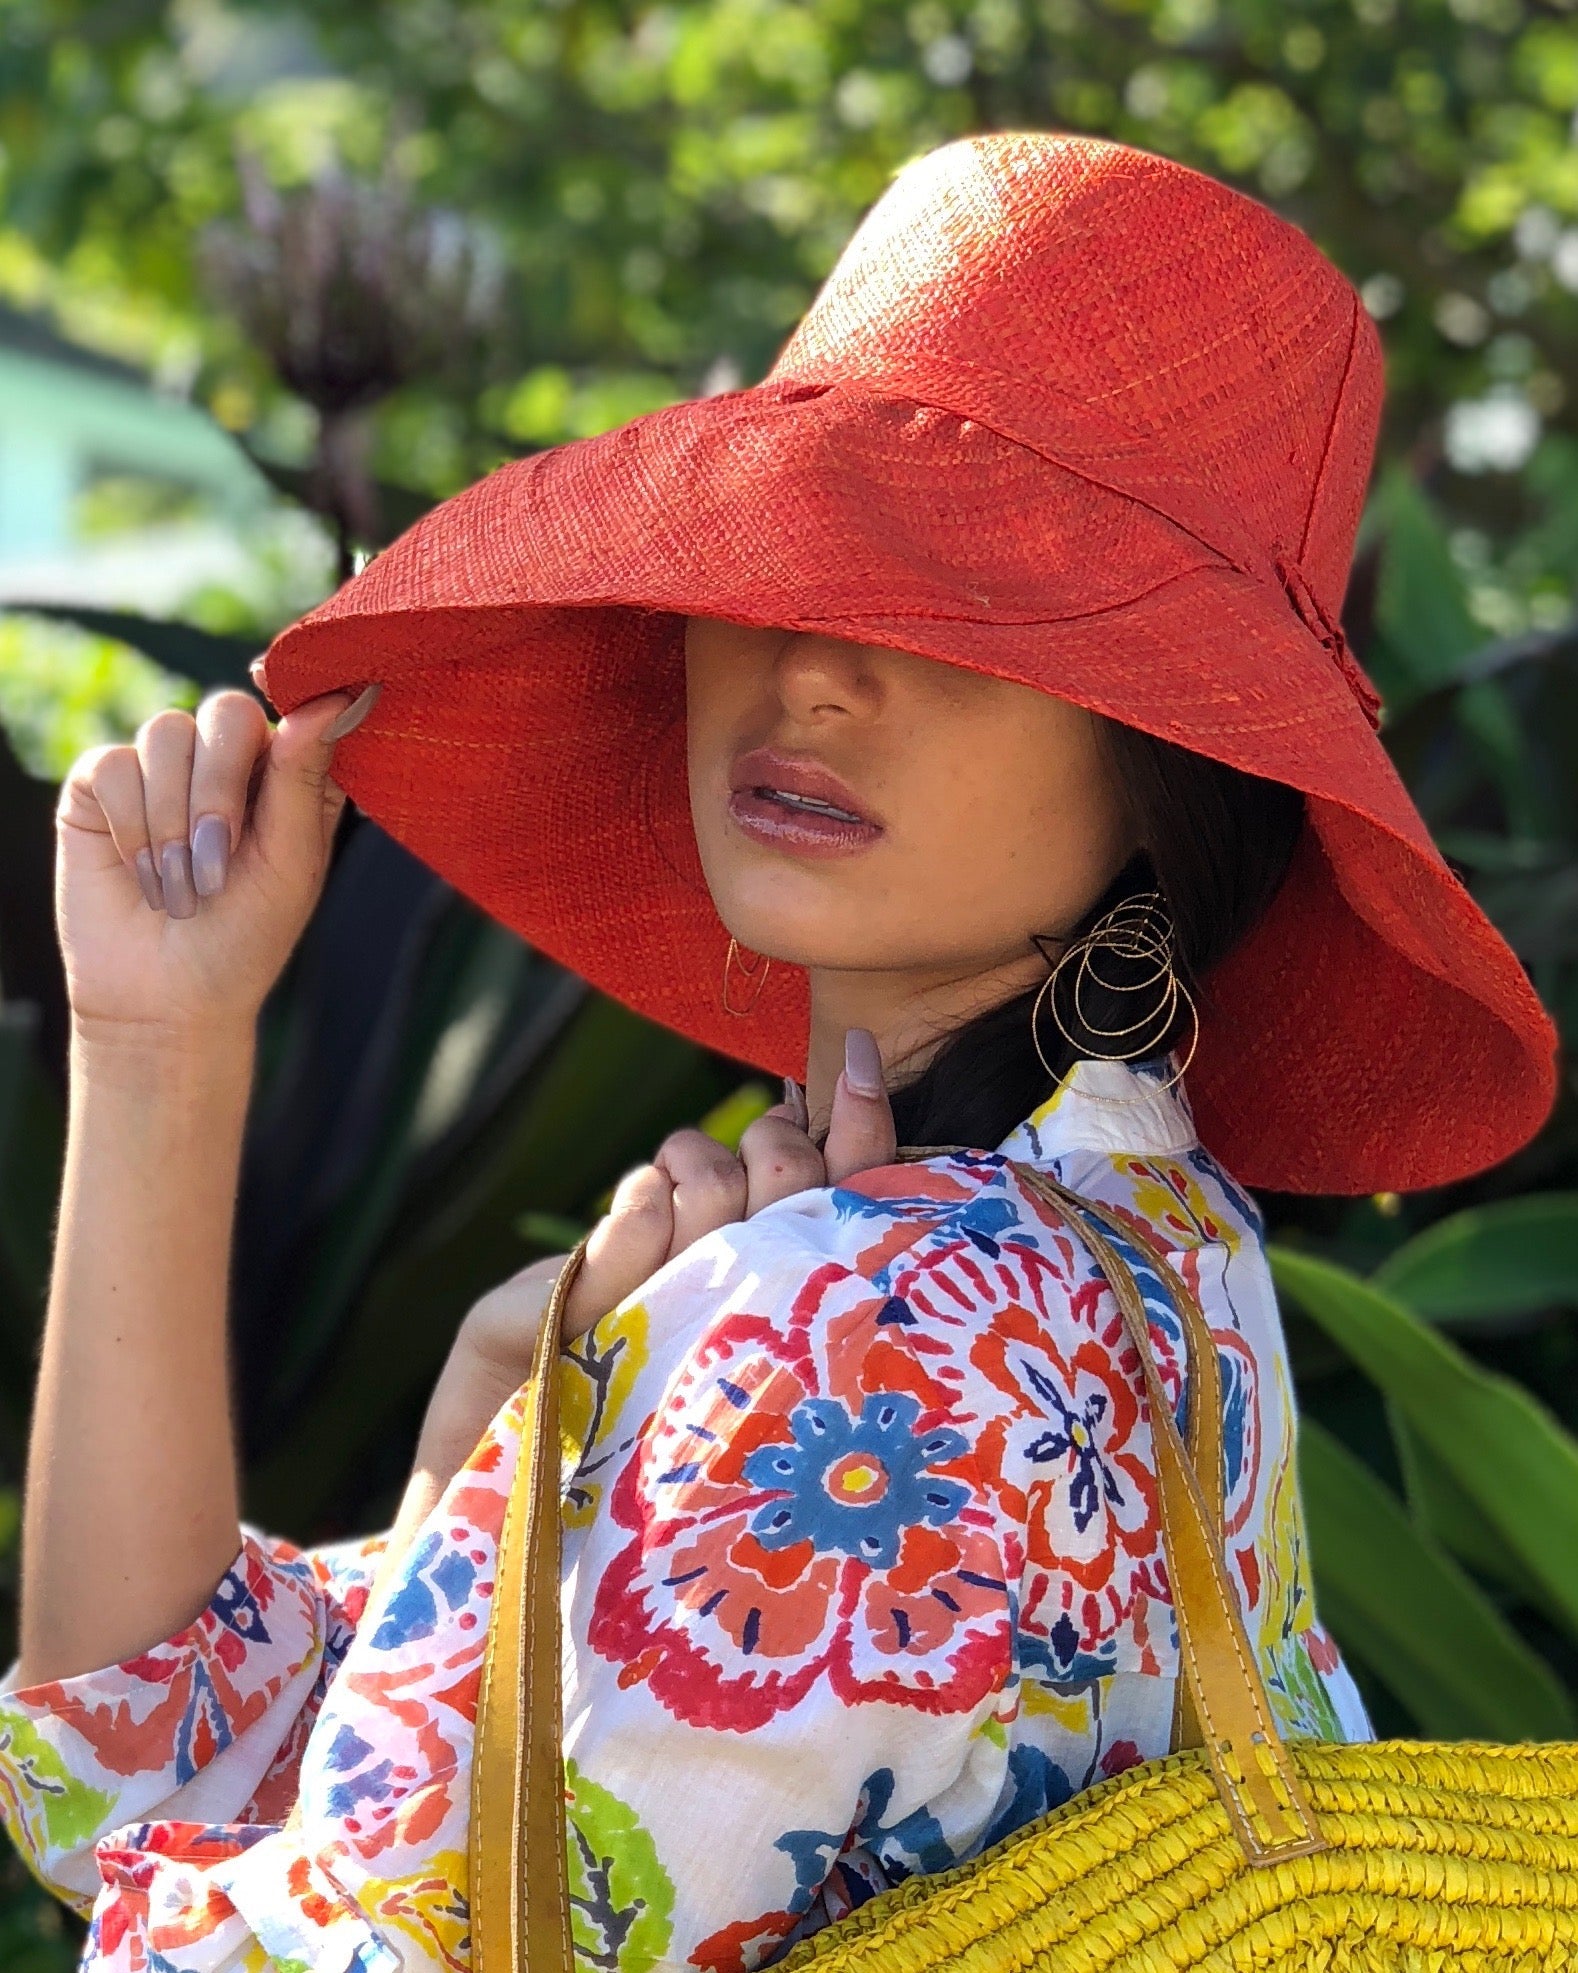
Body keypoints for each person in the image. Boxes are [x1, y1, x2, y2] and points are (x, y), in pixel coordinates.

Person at [0, 131, 1556, 1973]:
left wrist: (463, 1486)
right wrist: (164, 1050)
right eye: (784, 560)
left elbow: (209, 1915)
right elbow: (147, 1767)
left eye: (969, 610)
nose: (814, 669)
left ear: (1172, 769)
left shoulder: (871, 1329)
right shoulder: (1149, 1260)